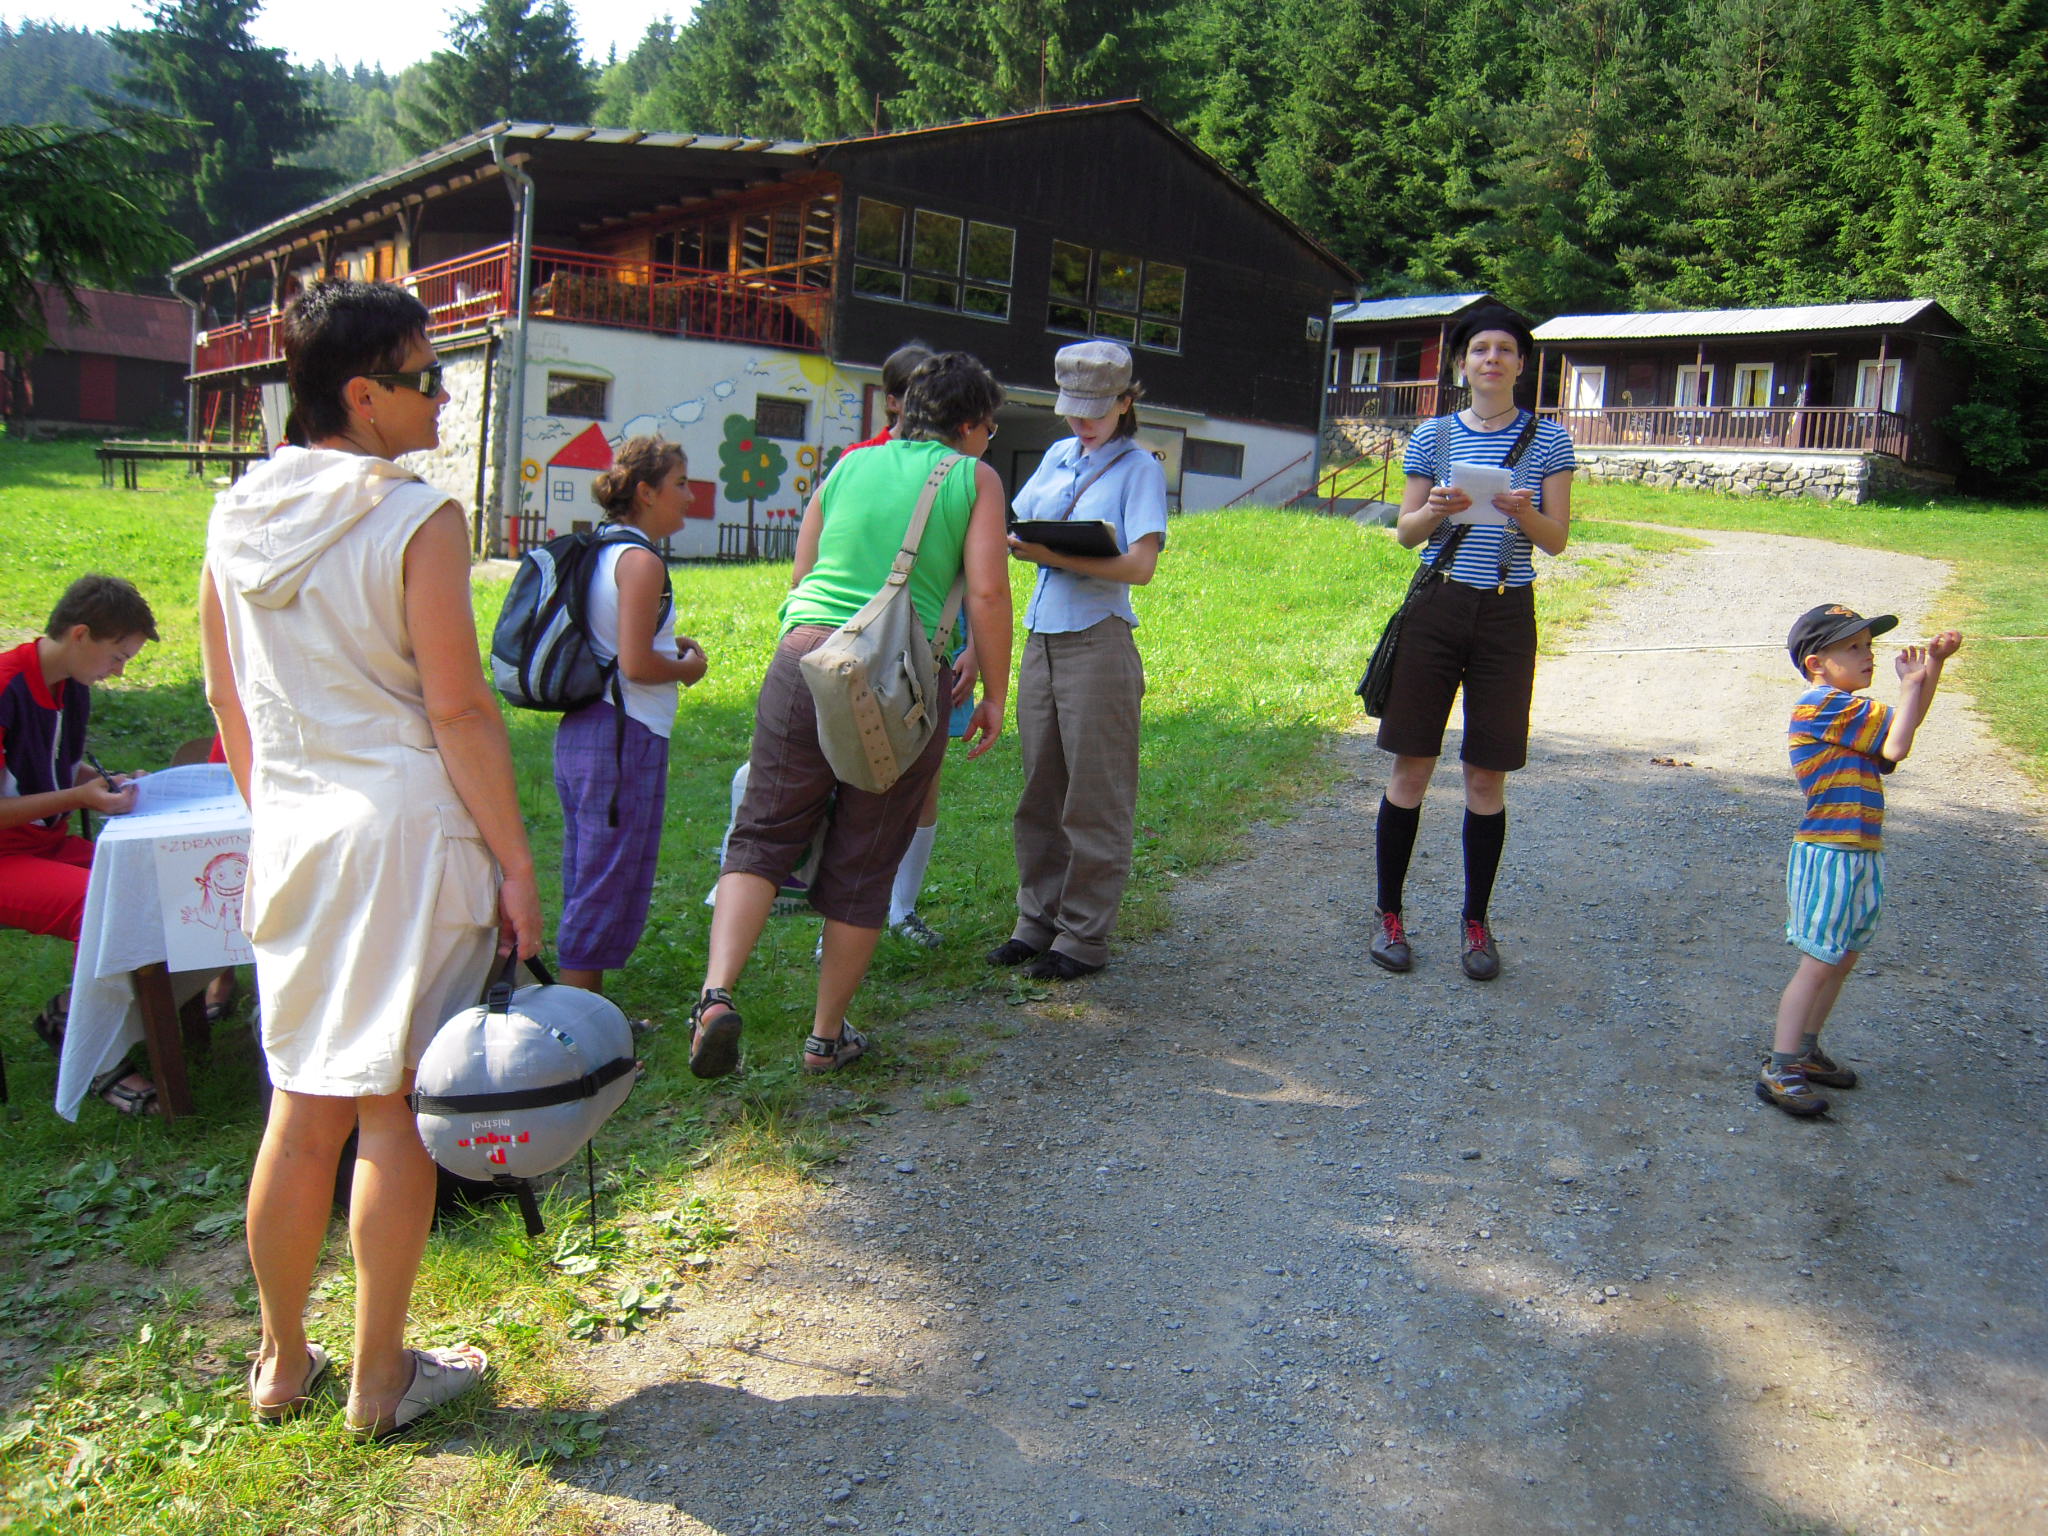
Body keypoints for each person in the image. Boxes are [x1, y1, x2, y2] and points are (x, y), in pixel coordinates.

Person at [200, 278, 543, 1437]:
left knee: (302, 1109)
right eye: (424, 377)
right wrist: (514, 860)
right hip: (404, 829)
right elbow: (459, 708)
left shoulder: (234, 515)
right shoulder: (417, 516)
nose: (442, 397)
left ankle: (280, 1358)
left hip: (297, 825)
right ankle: (378, 1377)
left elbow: (226, 695)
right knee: (391, 1109)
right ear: (362, 394)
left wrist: (277, 811)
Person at [689, 351, 1012, 1077]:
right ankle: (825, 1038)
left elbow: (802, 573)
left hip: (805, 655)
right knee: (867, 853)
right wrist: (994, 692)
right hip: (898, 675)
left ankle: (715, 996)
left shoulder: (846, 466)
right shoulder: (973, 478)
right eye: (989, 428)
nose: (987, 441)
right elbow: (989, 592)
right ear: (970, 424)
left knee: (762, 831)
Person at [1369, 305, 1576, 981]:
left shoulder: (1550, 440)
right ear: (1462, 364)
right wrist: (1435, 510)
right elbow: (1405, 533)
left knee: (1487, 775)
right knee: (1412, 766)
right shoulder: (1432, 435)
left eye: (1505, 349)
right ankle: (1389, 915)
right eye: (1480, 348)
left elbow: (1557, 540)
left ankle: (1476, 922)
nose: (1492, 358)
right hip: (1437, 605)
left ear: (1521, 365)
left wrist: (1525, 513)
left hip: (1507, 612)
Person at [988, 340, 1168, 981]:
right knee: (1039, 791)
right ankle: (1035, 922)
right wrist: (1022, 545)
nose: (1082, 421)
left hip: (1098, 639)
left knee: (1095, 795)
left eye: (1096, 409)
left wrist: (1053, 556)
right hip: (1041, 638)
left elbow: (1140, 567)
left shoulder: (1140, 468)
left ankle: (1084, 936)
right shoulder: (1058, 455)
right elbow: (1020, 524)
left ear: (1125, 402)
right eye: (1073, 408)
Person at [1758, 605, 1961, 1116]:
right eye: (1853, 648)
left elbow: (1899, 736)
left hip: (1859, 849)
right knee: (1818, 960)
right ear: (1816, 663)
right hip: (1829, 851)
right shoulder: (1822, 706)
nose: (1867, 656)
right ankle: (1780, 1067)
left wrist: (1932, 668)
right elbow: (1899, 743)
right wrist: (1912, 683)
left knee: (1843, 956)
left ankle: (1805, 1052)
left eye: (1868, 646)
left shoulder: (1848, 711)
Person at [555, 437, 708, 995]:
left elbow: (612, 642)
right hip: (623, 734)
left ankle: (585, 1013)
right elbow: (636, 664)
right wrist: (688, 669)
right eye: (680, 484)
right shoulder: (641, 561)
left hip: (584, 728)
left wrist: (669, 646)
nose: (690, 496)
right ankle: (578, 1025)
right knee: (604, 882)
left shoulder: (599, 549)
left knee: (590, 873)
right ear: (646, 492)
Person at [0, 574, 158, 1113]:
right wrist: (80, 797)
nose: (120, 671)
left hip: (41, 843)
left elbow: (48, 766)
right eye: (117, 656)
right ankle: (99, 1057)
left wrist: (103, 782)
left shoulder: (70, 684)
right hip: (7, 855)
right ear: (81, 635)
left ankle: (75, 1014)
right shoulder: (6, 687)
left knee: (152, 879)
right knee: (98, 903)